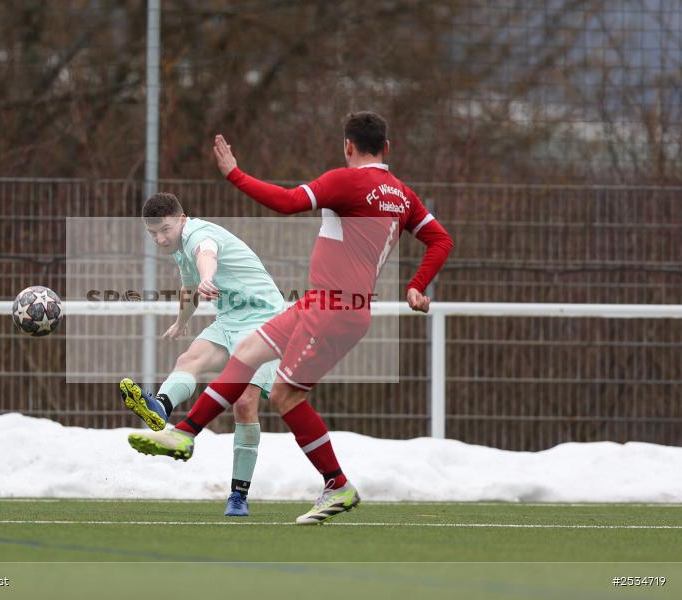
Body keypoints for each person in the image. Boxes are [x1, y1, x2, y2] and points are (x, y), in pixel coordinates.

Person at [130, 111, 453, 524]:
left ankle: (337, 484)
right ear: (386, 148)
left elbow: (286, 202)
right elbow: (440, 239)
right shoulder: (403, 195)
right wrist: (417, 284)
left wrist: (235, 174)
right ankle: (184, 434)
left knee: (285, 396)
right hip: (322, 304)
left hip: (334, 309)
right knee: (245, 352)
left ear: (348, 146)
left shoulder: (346, 179)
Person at [122, 192, 285, 516]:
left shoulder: (198, 234)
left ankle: (238, 495)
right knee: (188, 360)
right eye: (153, 233)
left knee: (244, 403)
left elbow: (205, 255)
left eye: (165, 230)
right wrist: (182, 323)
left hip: (265, 322)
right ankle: (160, 407)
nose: (159, 238)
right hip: (229, 322)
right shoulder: (180, 248)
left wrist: (208, 276)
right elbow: (188, 288)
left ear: (182, 219)